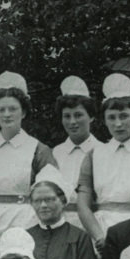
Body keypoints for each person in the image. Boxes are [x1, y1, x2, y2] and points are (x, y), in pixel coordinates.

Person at [76, 73, 130, 247]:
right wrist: (99, 237)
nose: (118, 124)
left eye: (124, 116)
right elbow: (83, 204)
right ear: (105, 120)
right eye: (112, 117)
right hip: (100, 231)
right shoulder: (93, 155)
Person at [0, 71, 58, 231]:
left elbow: (52, 193)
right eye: (1, 110)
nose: (6, 115)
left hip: (27, 221)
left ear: (24, 112)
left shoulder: (38, 150)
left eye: (12, 109)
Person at [50, 76, 105, 229]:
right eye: (67, 116)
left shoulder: (102, 152)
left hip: (93, 224)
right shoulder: (56, 153)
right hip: (60, 224)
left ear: (91, 117)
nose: (72, 122)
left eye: (78, 115)